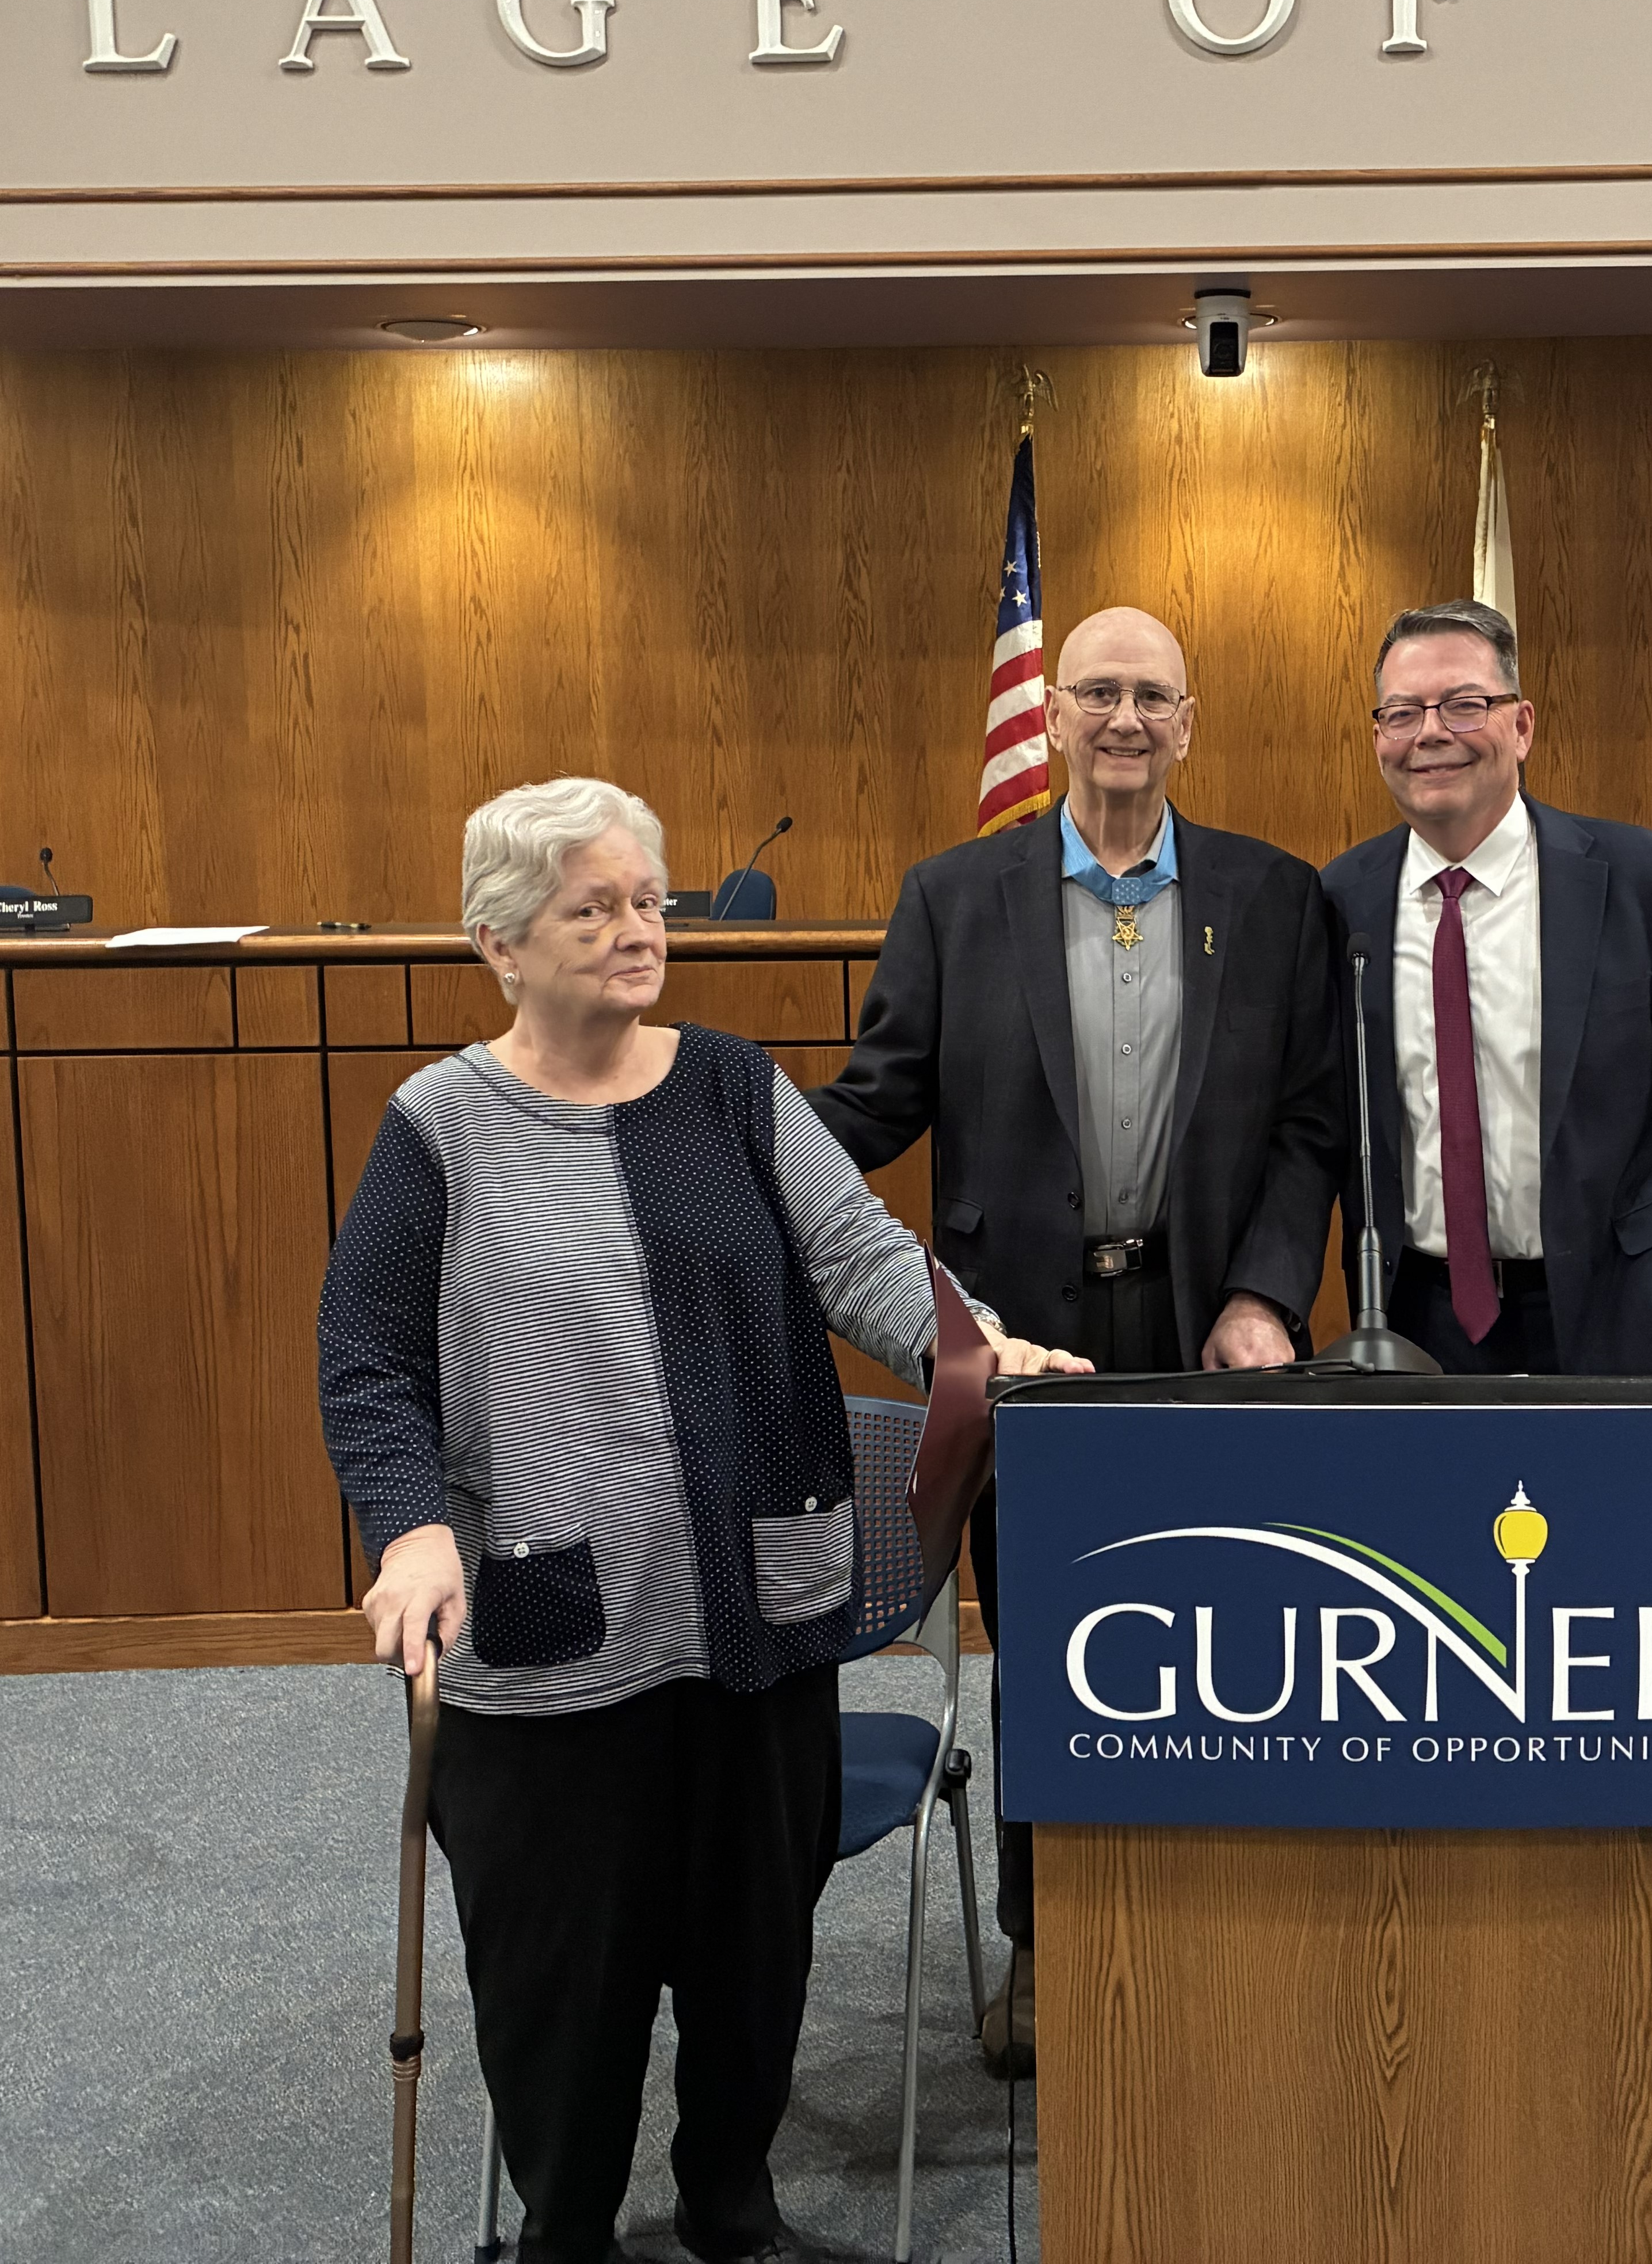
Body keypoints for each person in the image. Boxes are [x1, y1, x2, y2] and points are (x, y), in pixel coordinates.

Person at [321, 776, 1086, 2264]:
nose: (634, 930)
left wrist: (986, 1349)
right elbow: (368, 1362)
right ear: (499, 941)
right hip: (549, 1660)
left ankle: (737, 2210)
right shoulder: (441, 1128)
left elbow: (867, 1257)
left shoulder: (736, 1091)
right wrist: (410, 1527)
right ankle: (570, 2230)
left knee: (751, 1966)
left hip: (754, 1632)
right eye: (591, 906)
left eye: (649, 900)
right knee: (567, 1982)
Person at [808, 604, 1344, 2076]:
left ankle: (1217, 1922)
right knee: (1056, 1646)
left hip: (1205, 1333)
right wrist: (728, 1133)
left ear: (1189, 721)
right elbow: (880, 1098)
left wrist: (1267, 1296)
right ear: (1048, 717)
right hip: (1030, 1349)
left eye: (1150, 696)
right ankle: (1050, 1954)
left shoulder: (1275, 896)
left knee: (1234, 1632)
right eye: (1094, 691)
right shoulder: (953, 895)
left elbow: (1309, 1127)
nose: (1122, 718)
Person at [1323, 597, 1652, 1377]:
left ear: (1522, 725)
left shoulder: (1643, 881)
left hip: (1619, 1317)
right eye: (1403, 714)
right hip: (1417, 1327)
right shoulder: (1341, 900)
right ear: (1378, 738)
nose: (1431, 734)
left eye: (1465, 706)